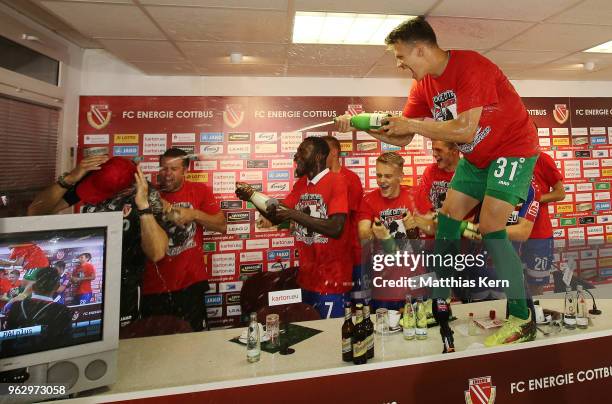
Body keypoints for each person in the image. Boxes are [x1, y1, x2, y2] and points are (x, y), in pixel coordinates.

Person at [337, 17, 539, 347]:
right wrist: (361, 126)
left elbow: (464, 130)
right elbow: (401, 138)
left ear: (420, 49)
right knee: (446, 219)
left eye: (401, 56)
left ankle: (522, 317)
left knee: (490, 227)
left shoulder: (471, 66)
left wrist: (412, 124)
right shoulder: (422, 87)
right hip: (475, 158)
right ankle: (439, 302)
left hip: (512, 149)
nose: (399, 64)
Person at [27, 155, 169, 329]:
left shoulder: (146, 194)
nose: (96, 198)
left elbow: (157, 253)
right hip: (90, 285)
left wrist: (143, 207)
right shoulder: (94, 177)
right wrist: (70, 178)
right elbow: (36, 211)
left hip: (123, 287)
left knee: (122, 343)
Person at [236, 137, 352, 319]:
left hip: (332, 282)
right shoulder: (301, 185)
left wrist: (293, 214)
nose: (296, 157)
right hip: (306, 280)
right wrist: (252, 196)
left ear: (318, 156)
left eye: (302, 152)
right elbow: (275, 214)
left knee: (332, 340)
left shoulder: (337, 181)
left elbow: (336, 228)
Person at [141, 148, 226, 331]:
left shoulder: (200, 191)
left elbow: (221, 226)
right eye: (163, 168)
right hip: (154, 287)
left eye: (174, 169)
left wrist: (194, 214)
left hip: (191, 285)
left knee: (195, 345)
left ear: (186, 170)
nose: (167, 174)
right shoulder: (147, 195)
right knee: (155, 349)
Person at [357, 152, 425, 309]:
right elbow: (363, 233)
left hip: (415, 281)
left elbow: (434, 227)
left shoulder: (415, 195)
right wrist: (376, 234)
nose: (381, 181)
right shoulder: (369, 200)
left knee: (421, 329)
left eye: (387, 176)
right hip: (385, 284)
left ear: (401, 176)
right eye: (378, 175)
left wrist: (417, 223)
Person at [322, 136, 364, 302]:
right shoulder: (319, 180)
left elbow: (344, 216)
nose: (317, 156)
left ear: (333, 152)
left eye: (321, 152)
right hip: (332, 259)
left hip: (353, 254)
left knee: (359, 305)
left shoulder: (351, 178)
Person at [3, 266, 72, 356]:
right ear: (56, 287)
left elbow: (7, 342)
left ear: (34, 286)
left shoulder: (15, 305)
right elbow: (65, 346)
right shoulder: (62, 311)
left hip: (15, 360)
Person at [0, 242, 49, 307]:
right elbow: (17, 263)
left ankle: (23, 296)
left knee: (26, 286)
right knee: (26, 286)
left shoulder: (24, 246)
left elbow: (18, 262)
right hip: (39, 268)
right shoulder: (23, 248)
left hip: (38, 266)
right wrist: (5, 262)